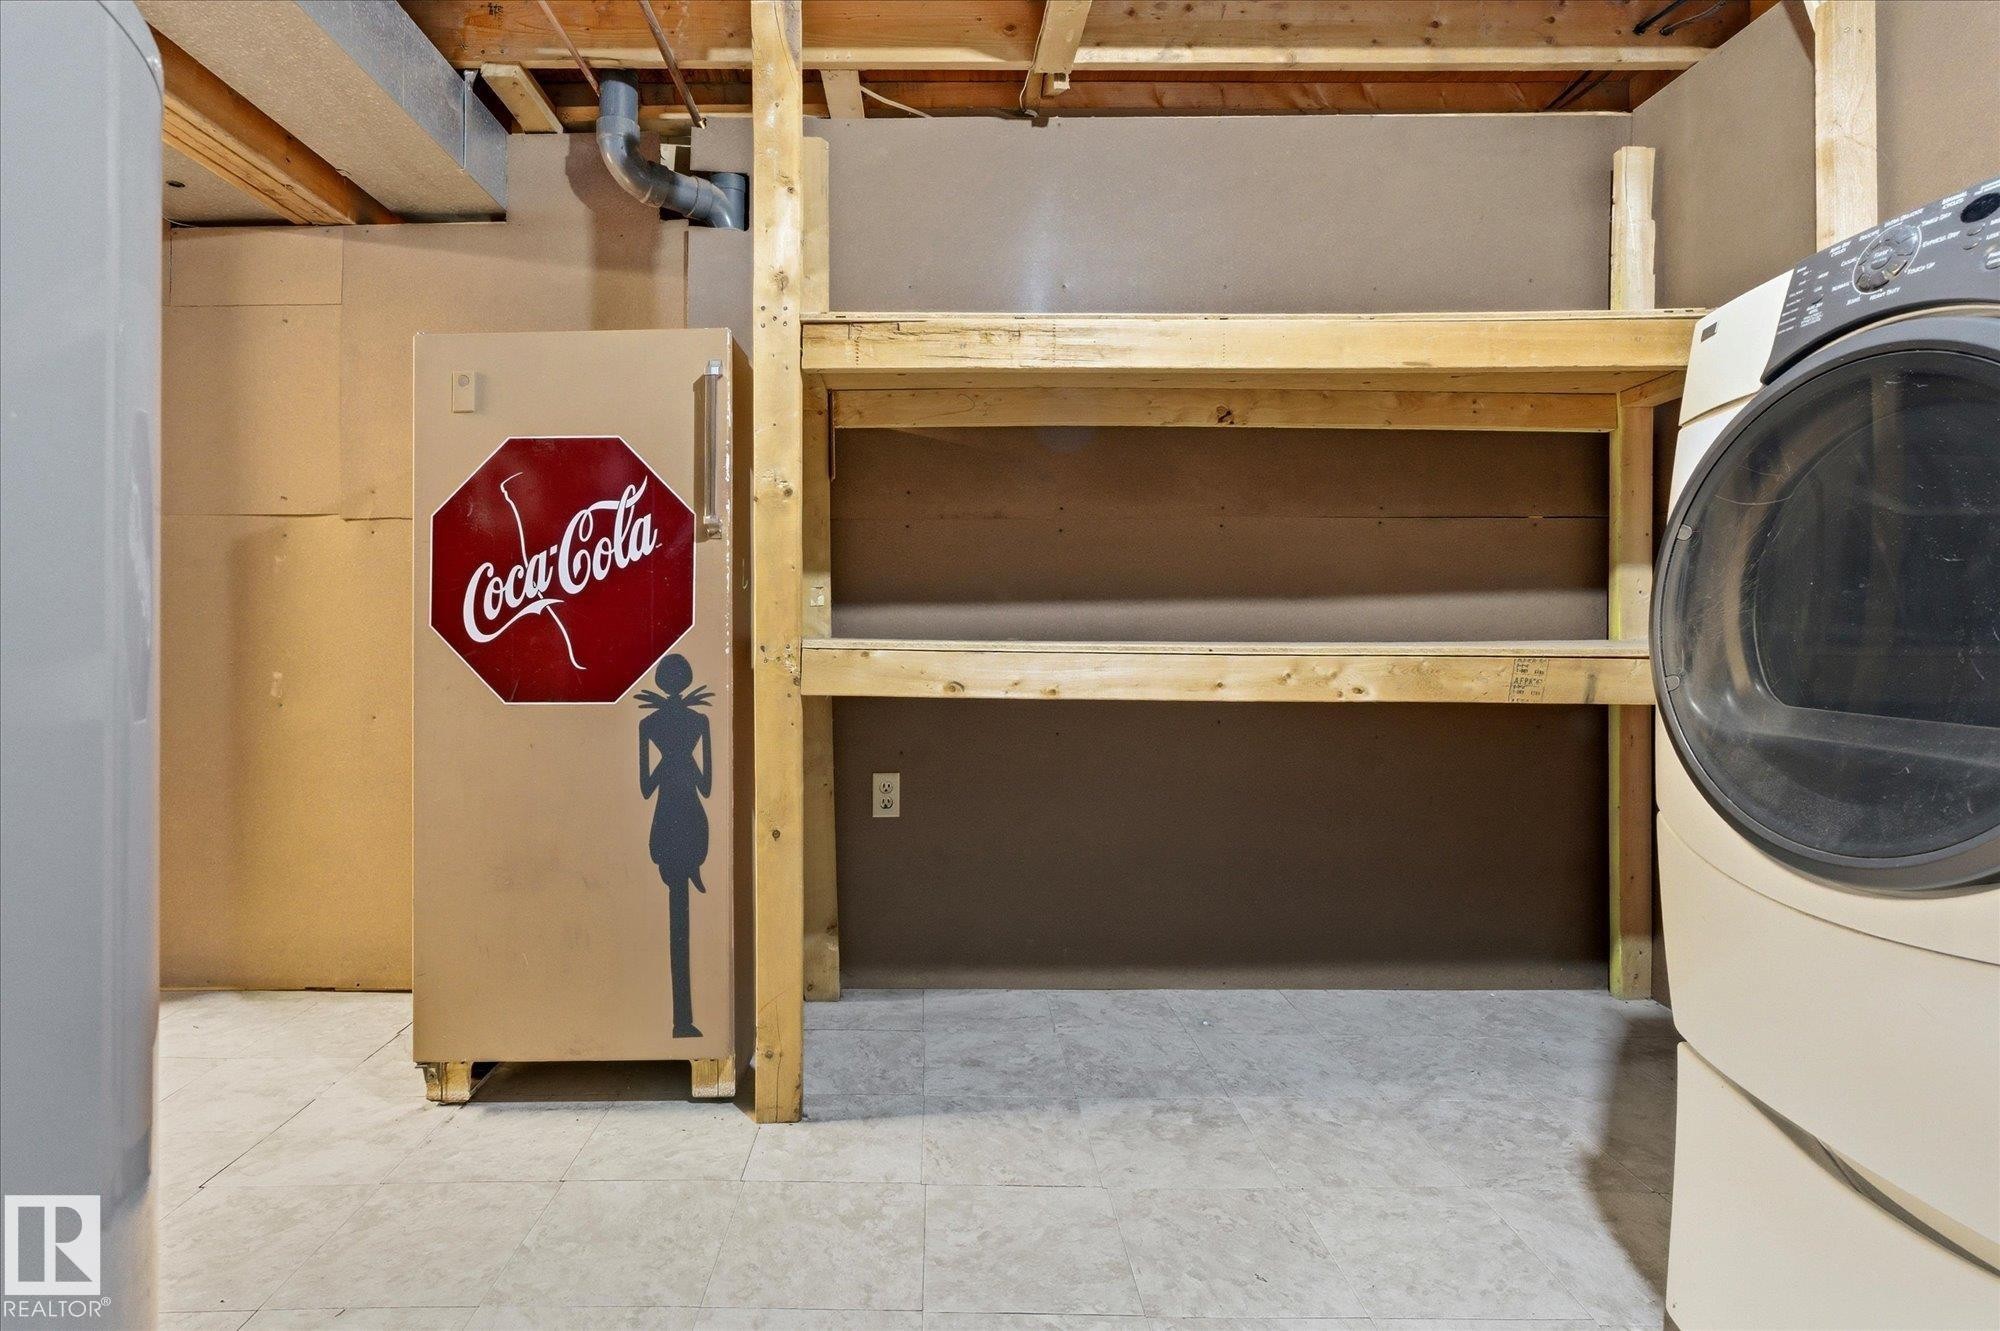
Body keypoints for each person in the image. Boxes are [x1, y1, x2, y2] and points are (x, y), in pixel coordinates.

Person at [636, 654, 713, 1039]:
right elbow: (707, 786)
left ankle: (681, 1019)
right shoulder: (699, 721)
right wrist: (685, 760)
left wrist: (668, 761)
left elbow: (646, 787)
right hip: (692, 819)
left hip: (666, 819)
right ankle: (682, 1020)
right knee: (680, 909)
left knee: (676, 910)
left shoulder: (649, 724)